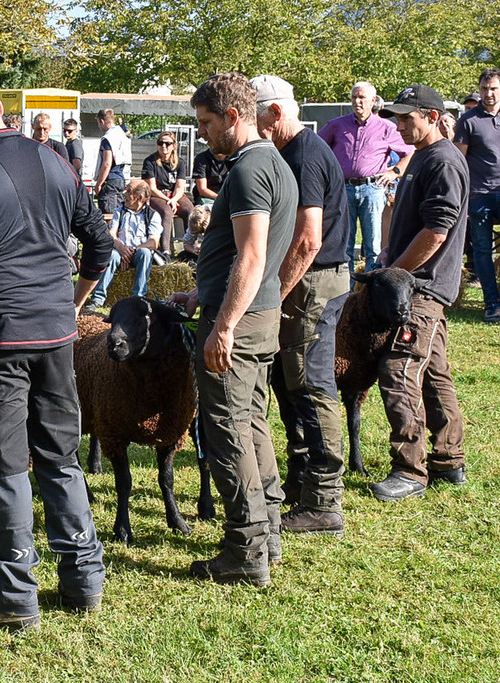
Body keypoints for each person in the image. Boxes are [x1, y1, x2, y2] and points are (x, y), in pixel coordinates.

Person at [0, 72, 112, 631]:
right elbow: (101, 245)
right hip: (56, 333)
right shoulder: (55, 159)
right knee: (61, 456)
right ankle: (84, 583)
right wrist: (72, 305)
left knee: (4, 465)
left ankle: (12, 599)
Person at [169, 72, 296, 586]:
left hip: (239, 324)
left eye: (205, 122)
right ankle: (267, 537)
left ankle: (245, 551)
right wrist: (203, 293)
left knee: (227, 433)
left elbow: (253, 254)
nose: (202, 133)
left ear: (232, 117)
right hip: (258, 315)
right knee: (254, 424)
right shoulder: (273, 164)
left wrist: (222, 324)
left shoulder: (248, 171)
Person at [251, 75, 351, 536]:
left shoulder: (306, 155)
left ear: (274, 112)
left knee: (311, 383)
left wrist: (275, 290)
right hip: (305, 283)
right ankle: (300, 478)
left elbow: (309, 239)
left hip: (312, 283)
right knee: (289, 382)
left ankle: (325, 499)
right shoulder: (291, 152)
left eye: (255, 119)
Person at [369, 84, 467, 501]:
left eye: (407, 117)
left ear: (431, 116)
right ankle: (448, 460)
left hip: (420, 288)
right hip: (422, 283)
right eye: (396, 117)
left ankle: (410, 470)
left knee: (400, 368)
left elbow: (437, 230)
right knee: (434, 373)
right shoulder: (423, 156)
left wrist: (395, 272)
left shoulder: (443, 160)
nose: (399, 124)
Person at [318, 81, 413, 272]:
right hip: (343, 188)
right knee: (345, 243)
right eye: (354, 97)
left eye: (361, 97)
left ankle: (370, 291)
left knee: (373, 245)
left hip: (373, 188)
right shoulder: (337, 125)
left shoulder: (387, 127)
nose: (357, 101)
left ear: (373, 101)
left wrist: (394, 171)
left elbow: (410, 152)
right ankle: (346, 290)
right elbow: (316, 147)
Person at [453, 67, 500, 324]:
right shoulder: (468, 120)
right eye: (484, 89)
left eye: (493, 88)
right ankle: (491, 304)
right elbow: (460, 159)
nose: (488, 94)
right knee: (482, 251)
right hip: (479, 193)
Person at [85, 180, 162, 310]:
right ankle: (98, 299)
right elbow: (111, 235)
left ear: (140, 198)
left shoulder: (153, 215)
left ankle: (138, 298)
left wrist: (132, 251)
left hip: (138, 252)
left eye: (129, 191)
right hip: (120, 251)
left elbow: (154, 242)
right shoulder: (119, 211)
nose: (124, 194)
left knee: (145, 253)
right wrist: (122, 249)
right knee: (112, 256)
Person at [141, 130, 193, 254]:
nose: (164, 146)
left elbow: (180, 187)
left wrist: (174, 200)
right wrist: (168, 200)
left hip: (175, 195)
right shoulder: (150, 161)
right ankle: (165, 251)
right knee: (166, 212)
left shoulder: (180, 162)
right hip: (157, 195)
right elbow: (152, 188)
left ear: (174, 145)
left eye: (168, 143)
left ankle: (190, 247)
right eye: (160, 143)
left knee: (190, 210)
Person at [93, 108, 131, 216]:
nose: (99, 126)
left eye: (98, 123)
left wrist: (99, 183)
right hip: (121, 178)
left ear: (102, 121)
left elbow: (107, 163)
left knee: (110, 216)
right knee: (119, 215)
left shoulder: (108, 138)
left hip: (110, 181)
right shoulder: (122, 134)